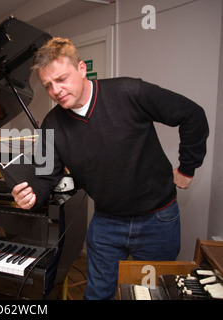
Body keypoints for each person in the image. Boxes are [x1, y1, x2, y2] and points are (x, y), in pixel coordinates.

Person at [12, 38, 209, 300]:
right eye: (48, 85)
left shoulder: (129, 91)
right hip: (106, 223)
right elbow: (46, 173)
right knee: (96, 295)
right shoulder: (52, 123)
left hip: (156, 220)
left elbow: (192, 114)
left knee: (149, 295)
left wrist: (187, 169)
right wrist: (32, 193)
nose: (56, 90)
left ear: (82, 69)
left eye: (62, 79)